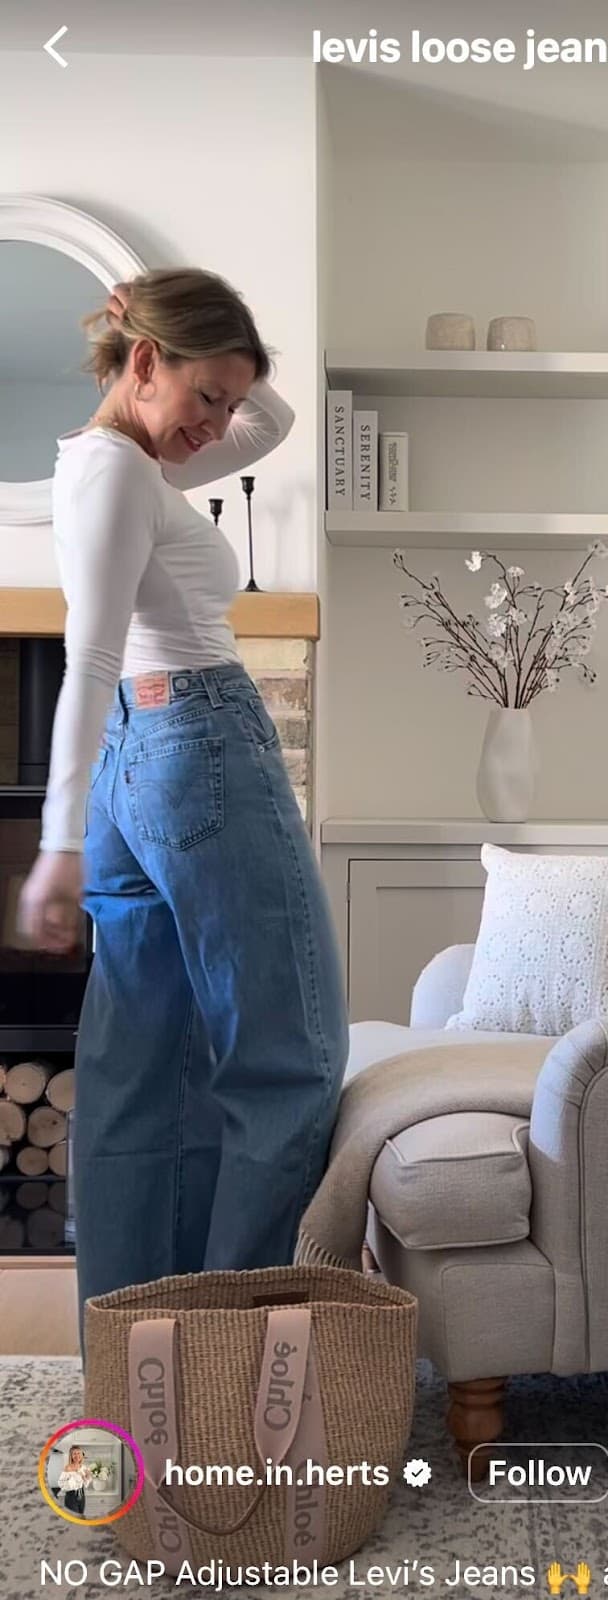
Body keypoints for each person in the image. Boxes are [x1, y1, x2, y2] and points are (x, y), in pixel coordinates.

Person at [16, 270, 348, 1359]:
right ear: (145, 366)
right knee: (285, 1058)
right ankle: (226, 1348)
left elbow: (276, 416)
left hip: (141, 761)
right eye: (202, 396)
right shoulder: (121, 475)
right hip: (196, 744)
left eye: (224, 404)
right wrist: (56, 846)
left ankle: (137, 1350)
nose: (216, 427)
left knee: (139, 1068)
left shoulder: (111, 460)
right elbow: (90, 655)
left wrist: (168, 340)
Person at [57, 1446, 93, 1517]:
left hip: (82, 1495)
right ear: (71, 1456)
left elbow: (86, 1484)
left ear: (81, 1455)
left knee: (81, 1516)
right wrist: (73, 1482)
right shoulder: (68, 1467)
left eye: (78, 1453)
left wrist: (87, 1477)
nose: (77, 1455)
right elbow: (60, 1484)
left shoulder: (84, 1467)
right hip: (71, 1496)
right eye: (74, 1453)